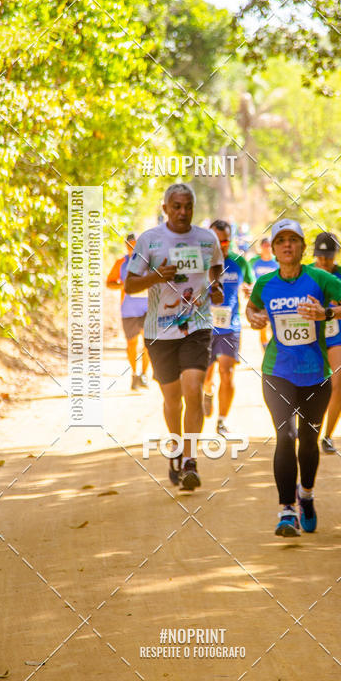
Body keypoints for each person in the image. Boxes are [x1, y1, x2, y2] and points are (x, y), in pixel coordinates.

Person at [246, 219, 341, 537]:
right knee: (285, 436)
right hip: (277, 372)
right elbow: (252, 307)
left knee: (309, 443)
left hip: (315, 374)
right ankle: (286, 511)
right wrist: (253, 317)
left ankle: (306, 496)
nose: (287, 245)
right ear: (273, 247)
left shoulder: (321, 279)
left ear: (302, 247)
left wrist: (327, 314)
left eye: (293, 240)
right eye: (281, 240)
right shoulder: (265, 283)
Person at [124, 183, 224, 491]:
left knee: (193, 388)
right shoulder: (150, 240)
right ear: (166, 208)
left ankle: (191, 461)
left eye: (188, 207)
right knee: (172, 398)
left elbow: (216, 267)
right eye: (176, 207)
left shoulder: (206, 239)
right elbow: (129, 285)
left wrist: (215, 287)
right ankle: (177, 449)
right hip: (159, 331)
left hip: (196, 325)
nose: (182, 212)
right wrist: (156, 277)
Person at [203, 219, 255, 435]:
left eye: (225, 241)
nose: (221, 245)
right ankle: (207, 391)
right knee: (205, 375)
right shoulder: (201, 262)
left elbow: (251, 284)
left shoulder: (239, 262)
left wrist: (250, 290)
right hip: (203, 327)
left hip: (230, 327)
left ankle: (222, 420)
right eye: (216, 240)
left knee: (227, 372)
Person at [310, 232, 341, 454]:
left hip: (336, 336)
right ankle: (308, 429)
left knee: (337, 386)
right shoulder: (306, 272)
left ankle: (327, 436)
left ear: (336, 254)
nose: (324, 261)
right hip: (311, 336)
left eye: (329, 257)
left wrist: (337, 307)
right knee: (310, 385)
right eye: (320, 257)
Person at [106, 233, 150, 390]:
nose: (133, 247)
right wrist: (123, 285)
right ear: (126, 246)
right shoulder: (121, 263)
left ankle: (144, 374)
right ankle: (134, 374)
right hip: (129, 310)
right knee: (132, 344)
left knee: (148, 343)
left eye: (136, 244)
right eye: (130, 244)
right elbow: (109, 283)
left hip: (147, 308)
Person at [249, 238, 279, 350]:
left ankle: (274, 346)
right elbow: (250, 278)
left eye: (269, 246)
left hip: (274, 297)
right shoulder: (254, 261)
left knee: (274, 324)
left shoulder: (277, 261)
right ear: (261, 247)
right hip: (260, 297)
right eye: (265, 246)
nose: (267, 248)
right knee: (262, 324)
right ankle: (265, 348)